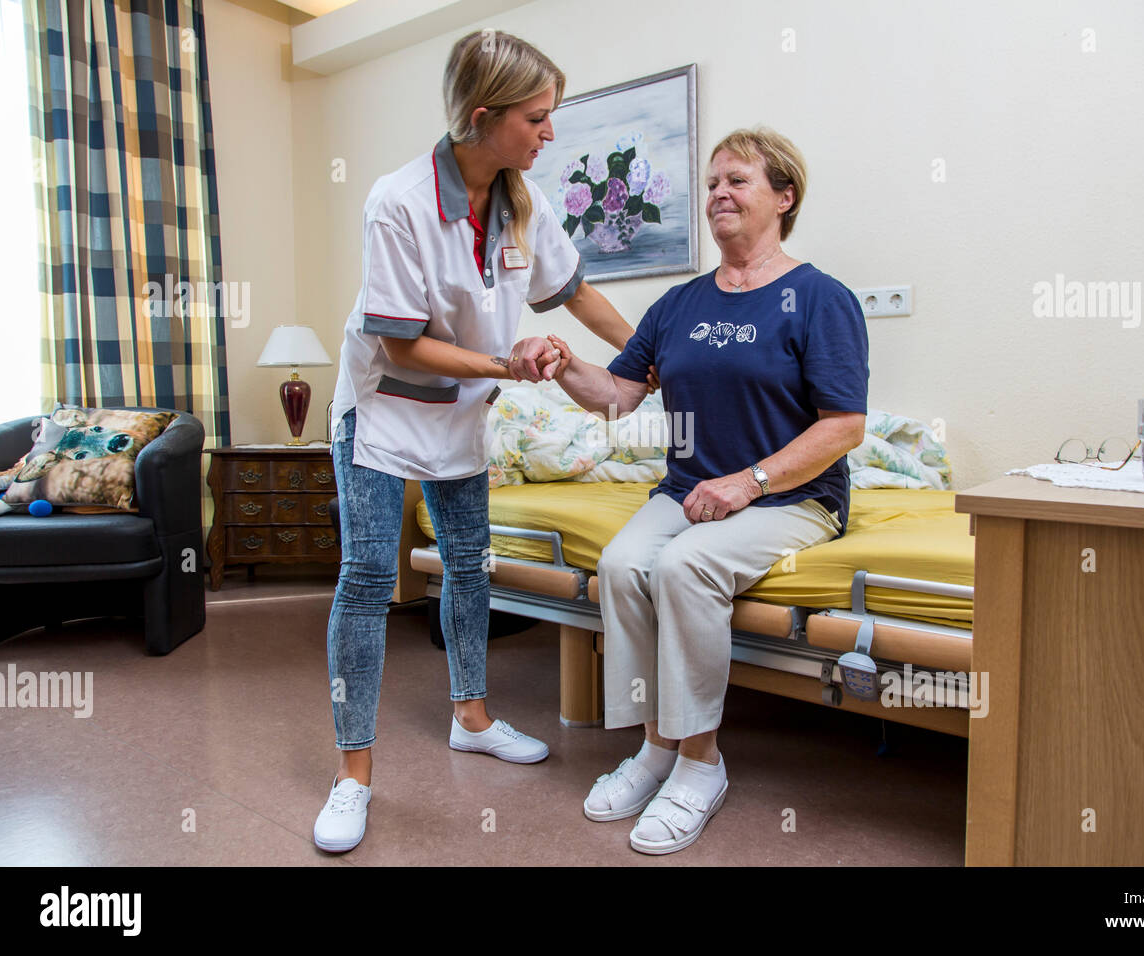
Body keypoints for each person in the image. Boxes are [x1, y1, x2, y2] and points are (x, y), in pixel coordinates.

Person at [313, 30, 650, 853]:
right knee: (365, 578)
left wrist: (657, 358)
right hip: (382, 406)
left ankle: (471, 716)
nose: (549, 132)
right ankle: (352, 775)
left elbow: (580, 297)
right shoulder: (398, 201)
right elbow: (400, 344)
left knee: (470, 562)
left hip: (459, 407)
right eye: (537, 117)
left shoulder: (518, 204)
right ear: (482, 114)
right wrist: (509, 361)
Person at [546, 127, 870, 854]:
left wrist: (747, 482)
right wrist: (563, 362)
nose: (719, 194)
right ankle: (656, 747)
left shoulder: (820, 298)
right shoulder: (678, 305)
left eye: (739, 182)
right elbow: (616, 398)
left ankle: (700, 764)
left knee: (685, 565)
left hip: (794, 497)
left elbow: (844, 426)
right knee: (624, 564)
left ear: (784, 198)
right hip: (690, 486)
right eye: (713, 183)